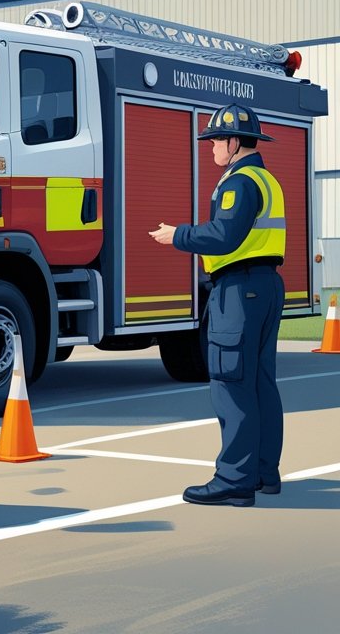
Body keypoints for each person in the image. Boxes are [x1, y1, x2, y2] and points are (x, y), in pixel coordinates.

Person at [150, 103, 286, 507]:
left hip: (239, 290)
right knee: (260, 384)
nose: (210, 149)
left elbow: (223, 236)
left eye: (214, 141)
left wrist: (179, 235)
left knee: (231, 384)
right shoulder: (267, 180)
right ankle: (263, 473)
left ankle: (233, 480)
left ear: (233, 142)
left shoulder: (239, 182)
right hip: (264, 287)